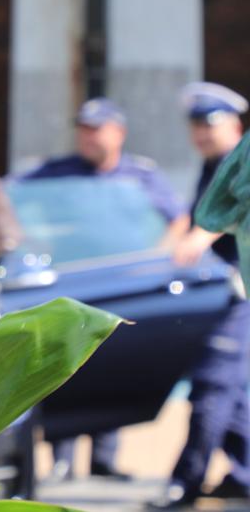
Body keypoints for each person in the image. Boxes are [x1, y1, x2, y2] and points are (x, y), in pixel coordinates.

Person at [20, 97, 185, 482]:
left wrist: (154, 262)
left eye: (95, 130)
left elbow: (178, 219)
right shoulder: (58, 172)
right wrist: (33, 243)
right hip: (72, 285)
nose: (87, 137)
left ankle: (104, 458)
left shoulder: (140, 175)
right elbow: (13, 199)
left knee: (115, 368)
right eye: (83, 130)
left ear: (118, 133)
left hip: (120, 289)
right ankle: (61, 458)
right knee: (66, 367)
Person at [160, 82, 249, 507]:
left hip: (238, 293)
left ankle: (186, 482)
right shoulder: (213, 165)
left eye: (210, 124)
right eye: (196, 126)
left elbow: (225, 214)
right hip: (220, 293)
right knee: (233, 391)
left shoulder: (239, 162)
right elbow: (194, 216)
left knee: (213, 385)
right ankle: (244, 475)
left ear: (235, 125)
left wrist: (200, 236)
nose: (202, 134)